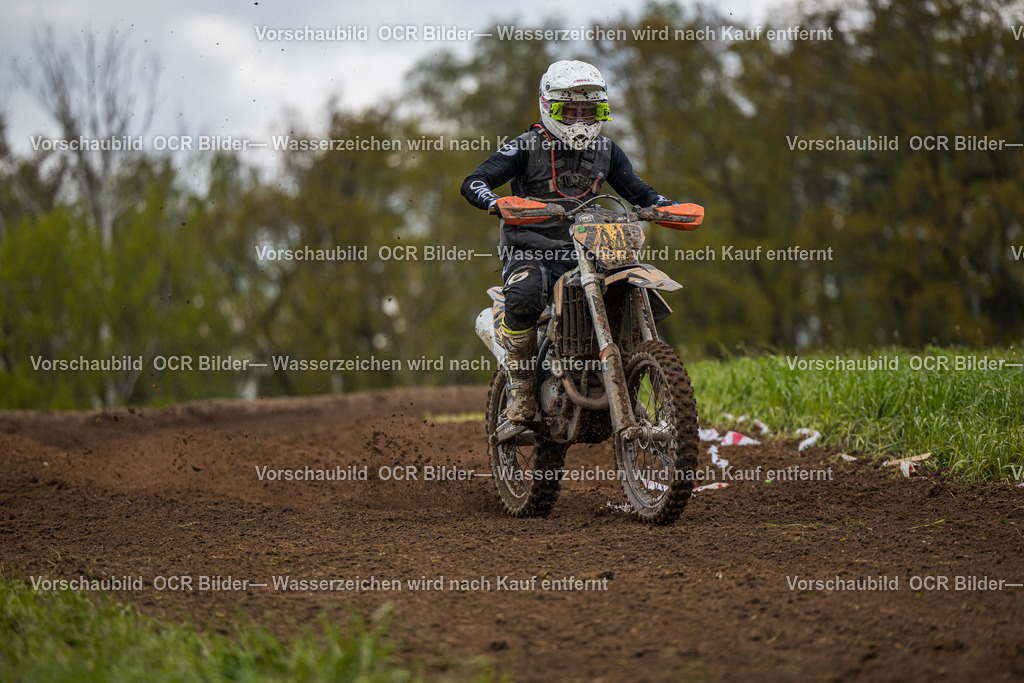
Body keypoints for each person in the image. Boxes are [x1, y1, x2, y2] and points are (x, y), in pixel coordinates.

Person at [461, 59, 676, 422]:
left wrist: (664, 206)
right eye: (570, 110)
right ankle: (522, 384)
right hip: (531, 251)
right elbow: (474, 181)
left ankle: (626, 386)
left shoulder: (608, 151)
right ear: (549, 107)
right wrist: (496, 202)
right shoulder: (525, 147)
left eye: (588, 111)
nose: (579, 119)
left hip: (593, 252)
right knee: (526, 292)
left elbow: (641, 192)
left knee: (636, 295)